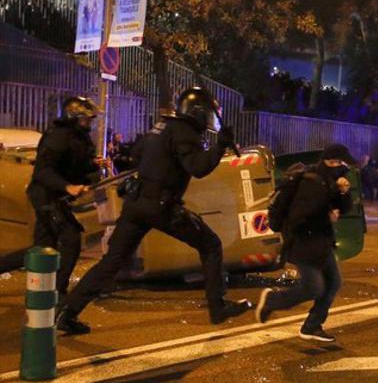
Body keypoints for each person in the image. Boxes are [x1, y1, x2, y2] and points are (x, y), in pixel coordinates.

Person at [56, 87, 250, 335]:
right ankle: (218, 307)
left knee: (111, 262)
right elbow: (198, 167)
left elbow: (137, 154)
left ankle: (68, 313)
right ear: (198, 113)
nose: (210, 119)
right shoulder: (185, 132)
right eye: (209, 114)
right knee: (210, 244)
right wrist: (220, 146)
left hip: (136, 202)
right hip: (161, 206)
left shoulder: (163, 126)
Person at [255, 144, 355, 342]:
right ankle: (272, 300)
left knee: (333, 283)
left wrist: (344, 193)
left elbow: (342, 208)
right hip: (303, 243)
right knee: (314, 287)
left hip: (321, 242)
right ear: (332, 162)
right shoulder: (312, 183)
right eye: (341, 164)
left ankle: (312, 326)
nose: (344, 168)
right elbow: (300, 217)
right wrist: (327, 215)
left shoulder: (329, 180)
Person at [26, 96, 106, 301]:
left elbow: (74, 164)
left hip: (56, 196)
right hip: (47, 196)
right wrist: (68, 187)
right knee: (70, 239)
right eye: (86, 118)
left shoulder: (78, 137)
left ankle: (48, 290)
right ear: (74, 117)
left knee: (44, 245)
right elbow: (43, 172)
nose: (90, 122)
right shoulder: (59, 137)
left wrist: (94, 165)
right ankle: (58, 292)